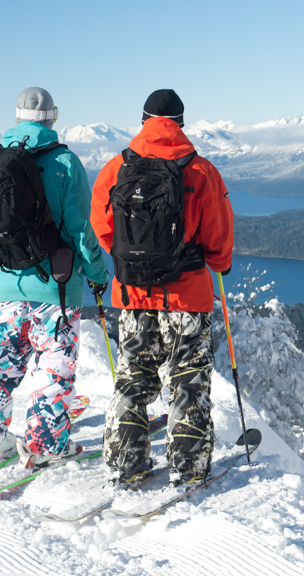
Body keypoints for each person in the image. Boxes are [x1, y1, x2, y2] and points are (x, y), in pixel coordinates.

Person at [90, 88, 234, 488]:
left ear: (142, 120)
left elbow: (103, 228)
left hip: (133, 295)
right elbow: (219, 235)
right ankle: (188, 468)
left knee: (133, 376)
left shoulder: (116, 169)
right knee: (188, 379)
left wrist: (132, 263)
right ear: (181, 123)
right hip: (188, 296)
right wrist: (218, 263)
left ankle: (127, 460)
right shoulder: (201, 170)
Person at [0, 87, 110, 469]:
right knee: (52, 370)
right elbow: (81, 230)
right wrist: (97, 274)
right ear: (53, 117)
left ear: (16, 117)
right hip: (55, 288)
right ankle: (44, 446)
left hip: (2, 285)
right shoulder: (64, 162)